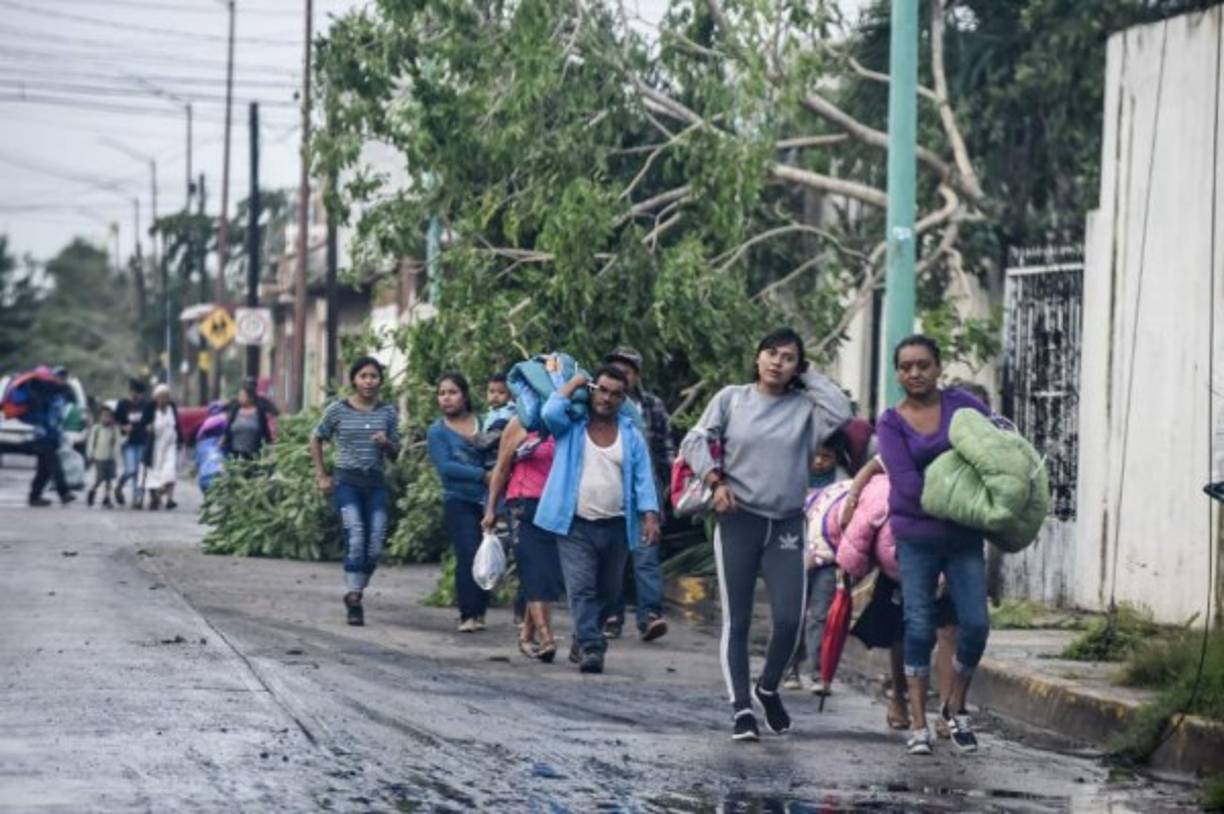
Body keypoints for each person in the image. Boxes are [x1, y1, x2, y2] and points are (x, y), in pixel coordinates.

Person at [680, 327, 851, 742]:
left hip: (787, 524)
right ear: (757, 357)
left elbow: (841, 410)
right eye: (771, 353)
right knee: (737, 620)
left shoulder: (806, 410)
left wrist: (808, 375)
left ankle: (768, 687)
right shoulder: (731, 399)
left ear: (798, 367)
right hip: (738, 519)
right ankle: (741, 708)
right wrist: (715, 481)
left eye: (788, 357)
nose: (777, 362)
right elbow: (694, 440)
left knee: (790, 619)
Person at [876, 335, 991, 756]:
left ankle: (954, 706)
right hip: (916, 538)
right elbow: (907, 486)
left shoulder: (964, 407)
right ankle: (919, 724)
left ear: (939, 368)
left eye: (923, 365)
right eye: (906, 367)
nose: (915, 373)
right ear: (897, 373)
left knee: (975, 624)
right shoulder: (891, 423)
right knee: (920, 627)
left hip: (964, 537)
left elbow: (994, 449)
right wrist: (963, 494)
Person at [534, 366, 660, 674]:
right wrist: (574, 383)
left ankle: (582, 637)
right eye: (602, 390)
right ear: (592, 391)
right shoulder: (571, 426)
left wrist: (650, 514)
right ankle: (592, 647)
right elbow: (549, 412)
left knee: (609, 591)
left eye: (615, 394)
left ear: (623, 399)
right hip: (575, 523)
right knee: (581, 588)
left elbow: (643, 477)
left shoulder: (630, 435)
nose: (607, 398)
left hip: (617, 524)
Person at [311, 356, 401, 626]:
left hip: (375, 483)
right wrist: (321, 475)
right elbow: (316, 437)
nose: (368, 381)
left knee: (376, 542)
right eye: (363, 376)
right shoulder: (337, 410)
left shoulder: (387, 412)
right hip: (346, 483)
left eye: (374, 376)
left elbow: (396, 453)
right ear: (353, 380)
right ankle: (354, 598)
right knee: (356, 534)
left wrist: (386, 444)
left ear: (380, 381)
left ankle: (357, 588)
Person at [602, 346, 671, 642]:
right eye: (617, 369)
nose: (622, 374)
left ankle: (650, 616)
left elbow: (666, 447)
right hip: (608, 489)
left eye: (628, 370)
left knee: (646, 554)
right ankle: (611, 615)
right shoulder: (598, 403)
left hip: (644, 491)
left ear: (637, 376)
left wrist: (665, 486)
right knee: (612, 557)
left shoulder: (652, 406)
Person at [482, 415, 564, 661]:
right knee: (533, 569)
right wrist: (491, 509)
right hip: (523, 503)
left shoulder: (566, 420)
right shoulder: (520, 424)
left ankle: (527, 635)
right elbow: (501, 468)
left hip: (557, 505)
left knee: (546, 572)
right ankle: (546, 637)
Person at [783, 432, 854, 692]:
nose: (820, 461)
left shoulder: (845, 485)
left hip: (828, 560)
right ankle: (789, 668)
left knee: (820, 615)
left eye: (827, 456)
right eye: (816, 455)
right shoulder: (793, 478)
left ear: (837, 458)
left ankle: (817, 671)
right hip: (793, 555)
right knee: (793, 613)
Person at [426, 372, 491, 633]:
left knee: (488, 553)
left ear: (464, 395)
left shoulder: (485, 422)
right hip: (458, 500)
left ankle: (481, 611)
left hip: (490, 500)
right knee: (468, 552)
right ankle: (468, 614)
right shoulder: (437, 431)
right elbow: (446, 468)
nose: (446, 398)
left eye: (452, 392)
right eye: (442, 393)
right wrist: (482, 475)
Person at [25, 373, 74, 507]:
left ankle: (34, 497)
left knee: (44, 470)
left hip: (51, 437)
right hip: (44, 437)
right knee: (55, 466)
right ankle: (64, 493)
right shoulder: (40, 398)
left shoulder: (52, 397)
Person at [140, 384, 182, 511]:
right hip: (155, 446)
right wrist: (148, 428)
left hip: (170, 445)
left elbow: (177, 425)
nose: (164, 399)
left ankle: (169, 499)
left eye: (166, 396)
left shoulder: (171, 408)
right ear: (156, 398)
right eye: (161, 397)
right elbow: (143, 424)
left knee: (170, 471)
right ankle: (155, 497)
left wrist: (181, 440)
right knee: (153, 474)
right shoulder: (150, 408)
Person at [114, 379, 149, 508]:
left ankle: (137, 498)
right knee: (131, 470)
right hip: (128, 442)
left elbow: (150, 420)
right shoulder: (123, 404)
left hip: (142, 441)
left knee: (139, 471)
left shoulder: (146, 405)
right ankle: (119, 486)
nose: (137, 396)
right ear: (131, 391)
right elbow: (116, 420)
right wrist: (123, 427)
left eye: (140, 393)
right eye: (135, 392)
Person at [222, 380, 275, 459]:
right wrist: (223, 440)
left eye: (242, 395)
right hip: (235, 454)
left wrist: (269, 445)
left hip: (254, 455)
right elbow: (228, 428)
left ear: (250, 397)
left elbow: (265, 431)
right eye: (239, 395)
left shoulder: (259, 412)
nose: (239, 397)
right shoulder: (235, 410)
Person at [85, 403, 122, 508]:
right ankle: (92, 491)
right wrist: (90, 454)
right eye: (104, 416)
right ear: (100, 417)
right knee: (100, 478)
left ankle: (107, 498)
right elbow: (91, 442)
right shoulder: (96, 428)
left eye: (108, 416)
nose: (106, 418)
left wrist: (117, 456)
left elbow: (118, 443)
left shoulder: (114, 429)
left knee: (109, 479)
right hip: (99, 457)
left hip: (110, 457)